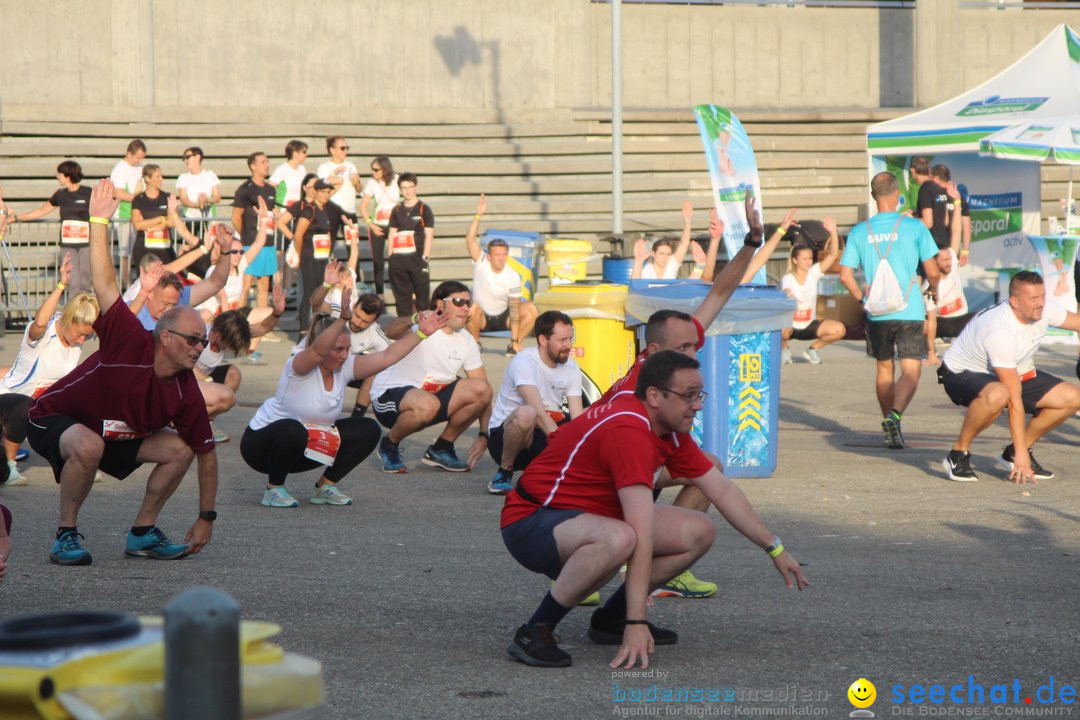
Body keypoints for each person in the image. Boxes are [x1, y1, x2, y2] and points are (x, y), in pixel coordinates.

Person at [501, 351, 809, 669]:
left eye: (699, 395)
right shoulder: (630, 430)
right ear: (654, 396)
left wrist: (775, 548)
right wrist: (639, 623)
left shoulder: (668, 429)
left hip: (584, 518)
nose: (698, 405)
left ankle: (612, 619)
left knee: (699, 530)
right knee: (623, 537)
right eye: (689, 396)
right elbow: (641, 532)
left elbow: (722, 489)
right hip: (531, 520)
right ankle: (535, 630)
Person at [26, 179, 220, 566]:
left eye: (204, 342)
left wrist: (205, 518)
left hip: (113, 432)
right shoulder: (129, 339)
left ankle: (142, 533)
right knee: (89, 445)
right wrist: (98, 222)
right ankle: (66, 535)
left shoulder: (185, 390)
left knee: (179, 449)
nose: (200, 348)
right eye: (193, 340)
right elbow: (106, 283)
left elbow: (206, 455)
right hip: (53, 419)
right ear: (164, 337)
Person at [595, 191, 765, 600]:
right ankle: (583, 567)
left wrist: (751, 243)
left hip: (641, 467)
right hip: (604, 475)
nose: (694, 353)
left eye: (694, 347)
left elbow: (719, 294)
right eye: (685, 349)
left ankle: (665, 565)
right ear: (653, 353)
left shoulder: (670, 360)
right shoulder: (635, 391)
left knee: (709, 467)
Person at [242, 289, 446, 508]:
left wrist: (422, 333)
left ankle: (325, 486)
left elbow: (388, 356)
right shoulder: (298, 366)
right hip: (261, 448)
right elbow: (318, 351)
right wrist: (343, 319)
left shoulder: (346, 366)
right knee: (292, 428)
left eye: (347, 349)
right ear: (322, 346)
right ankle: (274, 489)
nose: (344, 355)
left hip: (306, 448)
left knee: (368, 429)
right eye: (338, 349)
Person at [939, 271, 1080, 483]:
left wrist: (1021, 449)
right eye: (1033, 298)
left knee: (1072, 397)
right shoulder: (1000, 329)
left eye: (1042, 295)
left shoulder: (1044, 309)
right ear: (1014, 301)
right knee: (1000, 394)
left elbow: (1077, 322)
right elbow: (1014, 400)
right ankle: (958, 454)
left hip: (1011, 369)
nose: (1041, 303)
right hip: (961, 373)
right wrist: (1024, 454)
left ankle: (1013, 453)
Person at [839, 171, 940, 449]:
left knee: (884, 368)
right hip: (909, 309)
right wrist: (935, 289)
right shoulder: (915, 227)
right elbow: (932, 270)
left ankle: (890, 426)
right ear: (897, 196)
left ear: (874, 197)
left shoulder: (860, 231)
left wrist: (862, 298)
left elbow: (845, 274)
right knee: (911, 368)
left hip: (877, 312)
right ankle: (895, 416)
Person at [371, 281, 492, 474]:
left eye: (468, 303)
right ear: (440, 304)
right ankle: (389, 444)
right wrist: (414, 318)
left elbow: (484, 393)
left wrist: (485, 435)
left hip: (429, 400)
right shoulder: (424, 324)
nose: (465, 308)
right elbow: (390, 331)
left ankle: (441, 448)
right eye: (459, 301)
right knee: (428, 404)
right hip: (388, 397)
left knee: (481, 388)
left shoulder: (467, 340)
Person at [0, 254, 99, 484]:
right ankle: (9, 467)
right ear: (68, 320)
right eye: (81, 333)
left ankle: (78, 461)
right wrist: (61, 284)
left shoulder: (74, 343)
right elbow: (40, 323)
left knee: (85, 399)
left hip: (39, 407)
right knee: (26, 405)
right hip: (7, 402)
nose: (82, 340)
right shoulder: (42, 335)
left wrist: (143, 294)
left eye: (87, 335)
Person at [486, 310, 583, 495]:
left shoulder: (572, 367)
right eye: (562, 340)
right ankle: (504, 473)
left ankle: (539, 474)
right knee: (527, 413)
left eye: (570, 339)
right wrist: (567, 447)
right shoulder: (524, 362)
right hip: (505, 438)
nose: (568, 345)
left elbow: (578, 417)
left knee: (589, 421)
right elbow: (538, 412)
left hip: (543, 431)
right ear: (543, 340)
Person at [196, 286, 285, 444]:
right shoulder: (199, 336)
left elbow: (263, 327)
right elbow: (185, 365)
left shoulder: (229, 332)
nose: (230, 348)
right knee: (223, 396)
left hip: (204, 379)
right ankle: (185, 423)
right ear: (217, 334)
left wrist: (276, 312)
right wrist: (209, 383)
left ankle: (206, 423)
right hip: (186, 377)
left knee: (233, 374)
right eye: (228, 344)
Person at [463, 194, 539, 356]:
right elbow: (469, 240)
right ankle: (475, 344)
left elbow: (514, 308)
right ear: (489, 256)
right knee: (470, 307)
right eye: (497, 255)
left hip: (504, 317)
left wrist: (514, 339)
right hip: (481, 316)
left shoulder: (512, 276)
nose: (501, 258)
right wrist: (478, 215)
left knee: (531, 309)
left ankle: (515, 345)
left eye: (504, 254)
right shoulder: (481, 262)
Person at [4, 160, 94, 295]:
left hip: (86, 244)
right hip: (68, 244)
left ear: (67, 176)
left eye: (59, 174)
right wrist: (15, 218)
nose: (57, 177)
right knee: (73, 282)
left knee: (86, 282)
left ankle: (88, 314)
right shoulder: (60, 194)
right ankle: (73, 314)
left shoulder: (88, 192)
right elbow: (41, 211)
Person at [126, 223, 234, 331]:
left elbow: (217, 282)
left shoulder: (177, 297)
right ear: (150, 293)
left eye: (174, 304)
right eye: (165, 303)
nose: (169, 309)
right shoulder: (134, 307)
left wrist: (226, 249)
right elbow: (119, 327)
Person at [779, 216, 845, 364]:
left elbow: (833, 255)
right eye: (804, 259)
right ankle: (784, 349)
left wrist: (833, 232)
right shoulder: (788, 278)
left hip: (809, 324)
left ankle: (813, 350)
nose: (809, 261)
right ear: (795, 261)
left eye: (810, 258)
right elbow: (787, 290)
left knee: (839, 329)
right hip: (791, 325)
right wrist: (789, 295)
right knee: (782, 329)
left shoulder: (814, 272)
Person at [923, 188, 974, 366]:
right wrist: (931, 353)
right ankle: (930, 347)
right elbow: (930, 319)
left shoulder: (952, 259)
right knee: (924, 323)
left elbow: (956, 230)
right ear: (935, 262)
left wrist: (958, 202)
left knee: (982, 317)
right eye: (944, 260)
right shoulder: (930, 284)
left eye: (948, 259)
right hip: (942, 324)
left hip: (960, 319)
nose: (949, 262)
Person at [232, 152, 280, 323]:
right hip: (250, 244)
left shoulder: (270, 189)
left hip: (267, 244)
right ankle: (238, 323)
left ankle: (261, 326)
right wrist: (245, 237)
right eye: (263, 162)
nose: (267, 165)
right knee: (245, 286)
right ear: (253, 166)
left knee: (263, 285)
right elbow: (236, 216)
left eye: (267, 161)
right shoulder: (245, 189)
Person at [294, 179, 346, 338]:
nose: (325, 195)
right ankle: (303, 332)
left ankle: (317, 328)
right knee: (309, 293)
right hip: (309, 258)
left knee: (321, 292)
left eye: (327, 192)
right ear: (315, 191)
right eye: (322, 191)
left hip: (322, 258)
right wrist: (299, 256)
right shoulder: (310, 210)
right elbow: (298, 235)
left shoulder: (325, 210)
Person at [130, 164, 203, 274]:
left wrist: (149, 226)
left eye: (161, 176)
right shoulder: (138, 199)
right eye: (157, 177)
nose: (161, 179)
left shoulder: (167, 197)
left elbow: (172, 222)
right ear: (148, 179)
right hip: (144, 249)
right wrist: (161, 218)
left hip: (164, 248)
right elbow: (137, 225)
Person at [386, 173, 433, 317]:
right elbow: (392, 233)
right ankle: (404, 332)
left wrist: (425, 256)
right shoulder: (397, 209)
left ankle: (425, 333)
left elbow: (429, 234)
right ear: (400, 189)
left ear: (416, 187)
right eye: (404, 188)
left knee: (422, 299)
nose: (407, 191)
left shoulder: (424, 209)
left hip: (417, 258)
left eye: (410, 187)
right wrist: (390, 256)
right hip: (398, 259)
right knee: (402, 300)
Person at [359, 155, 399, 295]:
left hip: (395, 226)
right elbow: (363, 206)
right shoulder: (371, 183)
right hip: (378, 225)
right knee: (378, 261)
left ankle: (398, 290)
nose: (373, 173)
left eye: (376, 170)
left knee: (396, 259)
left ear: (385, 169)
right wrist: (371, 224)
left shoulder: (397, 180)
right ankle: (380, 294)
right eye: (372, 170)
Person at [109, 139, 147, 289]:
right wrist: (137, 199)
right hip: (125, 216)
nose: (140, 161)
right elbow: (118, 192)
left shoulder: (139, 168)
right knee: (126, 252)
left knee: (138, 251)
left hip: (139, 216)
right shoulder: (119, 169)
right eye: (137, 157)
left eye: (142, 158)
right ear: (129, 153)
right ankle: (126, 285)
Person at [631, 201, 695, 280]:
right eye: (661, 254)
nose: (665, 258)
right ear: (653, 254)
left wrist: (687, 221)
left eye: (668, 254)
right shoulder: (647, 271)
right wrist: (638, 261)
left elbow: (684, 244)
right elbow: (635, 286)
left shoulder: (671, 264)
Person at [175, 146, 221, 248]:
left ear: (197, 157)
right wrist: (196, 204)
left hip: (208, 217)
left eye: (188, 157)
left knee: (209, 245)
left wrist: (206, 199)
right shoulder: (183, 177)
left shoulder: (210, 175)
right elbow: (183, 199)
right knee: (190, 247)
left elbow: (217, 197)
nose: (186, 161)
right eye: (184, 158)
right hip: (190, 218)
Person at [918, 163, 970, 253]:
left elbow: (930, 220)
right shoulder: (959, 197)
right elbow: (967, 226)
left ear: (936, 178)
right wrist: (965, 251)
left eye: (931, 178)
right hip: (954, 249)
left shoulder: (930, 194)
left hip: (934, 249)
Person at [317, 136, 361, 225]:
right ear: (332, 150)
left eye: (347, 148)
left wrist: (356, 181)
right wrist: (334, 173)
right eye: (342, 148)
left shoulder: (351, 166)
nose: (345, 151)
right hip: (332, 207)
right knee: (330, 238)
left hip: (349, 209)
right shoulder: (324, 167)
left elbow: (359, 189)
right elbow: (322, 186)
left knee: (351, 237)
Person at [270, 140, 309, 211]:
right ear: (295, 153)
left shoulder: (302, 169)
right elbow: (268, 189)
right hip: (284, 209)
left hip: (299, 210)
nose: (306, 155)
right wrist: (275, 210)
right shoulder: (282, 169)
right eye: (304, 152)